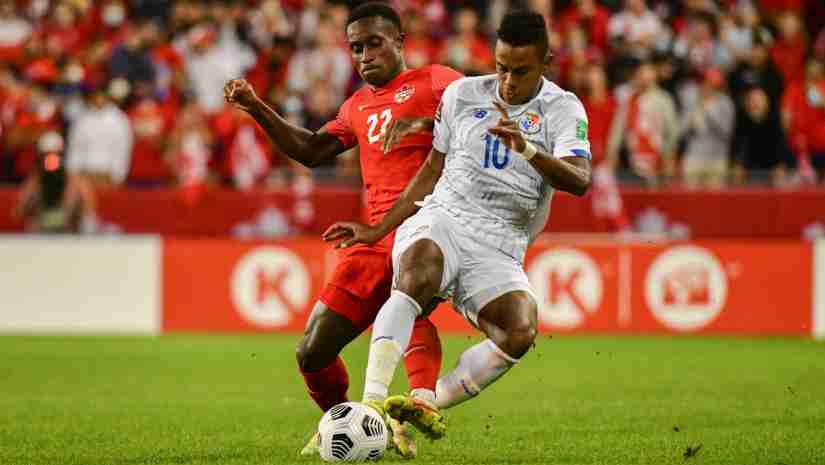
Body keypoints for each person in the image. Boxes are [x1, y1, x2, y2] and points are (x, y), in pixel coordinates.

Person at [322, 10, 592, 439]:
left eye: (520, 72)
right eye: (501, 67)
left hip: (501, 243)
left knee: (519, 331)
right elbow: (431, 169)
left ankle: (420, 406)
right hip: (445, 215)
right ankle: (371, 404)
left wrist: (526, 149)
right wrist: (377, 230)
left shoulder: (562, 108)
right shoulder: (465, 94)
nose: (507, 82)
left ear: (546, 63)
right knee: (417, 271)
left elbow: (579, 179)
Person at [223, 2, 462, 457]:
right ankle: (346, 423)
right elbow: (312, 151)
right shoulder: (356, 105)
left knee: (409, 305)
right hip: (372, 237)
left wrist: (423, 122)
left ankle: (418, 405)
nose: (365, 55)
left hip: (429, 231)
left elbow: (480, 122)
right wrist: (256, 107)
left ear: (399, 42)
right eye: (356, 48)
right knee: (311, 353)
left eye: (374, 43)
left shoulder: (438, 81)